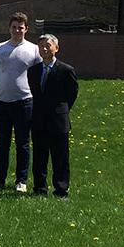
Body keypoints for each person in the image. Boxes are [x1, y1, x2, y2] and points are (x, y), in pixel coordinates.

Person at [0, 12, 41, 193]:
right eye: (14, 27)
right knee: (2, 144)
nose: (17, 30)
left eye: (21, 27)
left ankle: (21, 181)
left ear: (26, 29)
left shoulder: (34, 50)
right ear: (9, 28)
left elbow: (38, 79)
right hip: (1, 103)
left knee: (23, 144)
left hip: (24, 103)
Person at [27, 34, 78, 197]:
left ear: (56, 48)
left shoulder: (66, 70)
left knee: (60, 157)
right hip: (39, 120)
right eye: (41, 45)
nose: (44, 48)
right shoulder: (33, 71)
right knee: (39, 156)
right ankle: (40, 188)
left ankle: (61, 189)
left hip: (58, 120)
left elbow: (72, 93)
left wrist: (62, 109)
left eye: (48, 45)